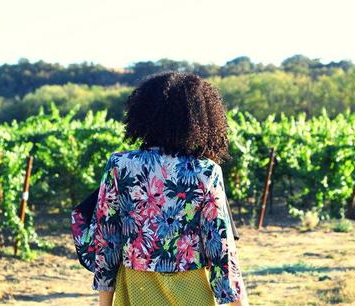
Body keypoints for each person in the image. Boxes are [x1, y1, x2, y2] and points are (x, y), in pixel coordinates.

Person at [91, 72, 249, 306]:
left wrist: (104, 303)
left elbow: (107, 239)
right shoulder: (205, 171)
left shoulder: (119, 166)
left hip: (136, 286)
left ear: (143, 114)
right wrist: (237, 302)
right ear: (198, 119)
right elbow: (220, 248)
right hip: (191, 286)